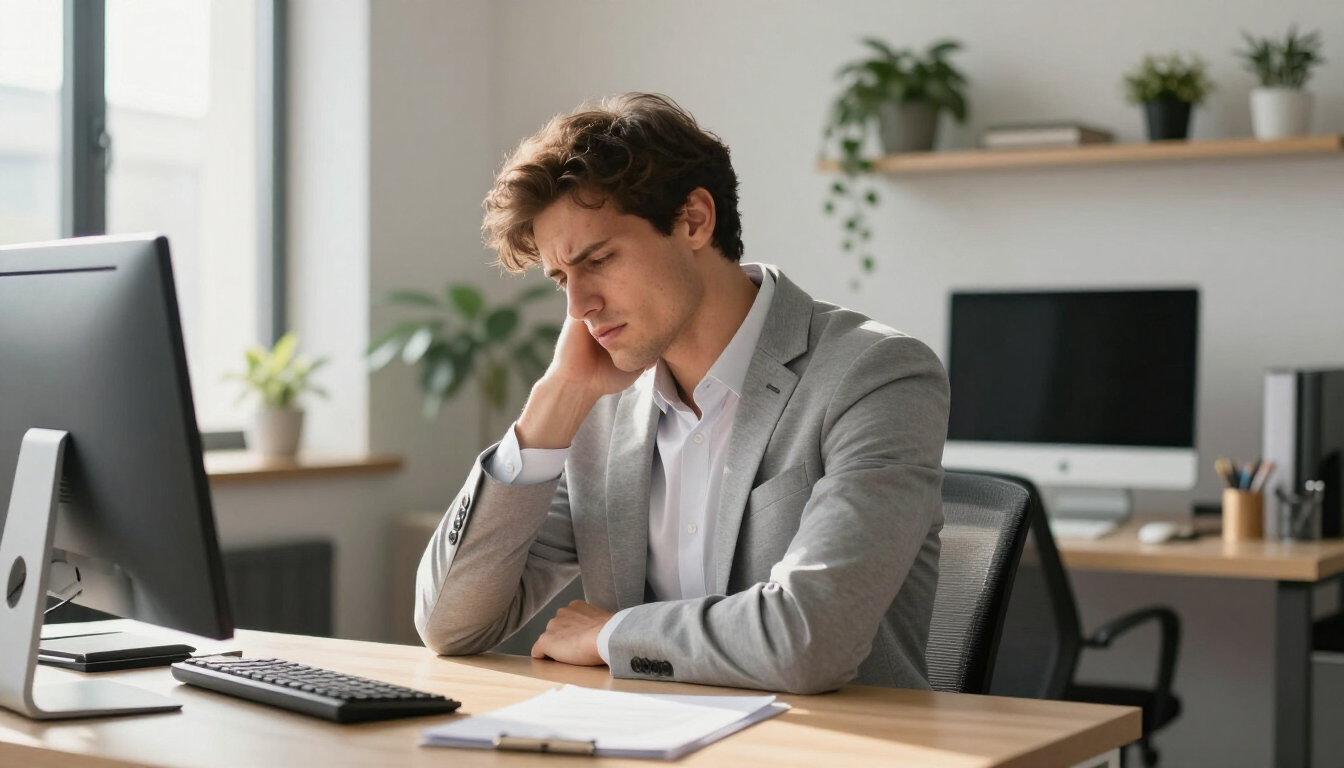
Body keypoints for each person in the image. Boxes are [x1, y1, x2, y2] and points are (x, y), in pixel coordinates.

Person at [414, 93, 948, 695]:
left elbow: (810, 640)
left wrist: (611, 635)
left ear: (694, 219)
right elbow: (449, 625)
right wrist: (553, 402)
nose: (577, 307)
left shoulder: (876, 374)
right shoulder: (598, 402)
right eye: (562, 279)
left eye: (599, 259)